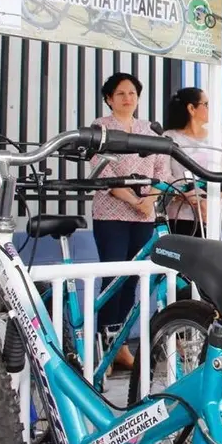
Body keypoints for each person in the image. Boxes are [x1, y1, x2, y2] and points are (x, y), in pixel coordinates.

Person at [89, 72, 172, 371]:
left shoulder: (148, 129)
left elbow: (162, 169)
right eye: (121, 93)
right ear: (109, 99)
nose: (127, 98)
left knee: (134, 279)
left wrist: (149, 200)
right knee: (113, 278)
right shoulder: (100, 127)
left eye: (132, 93)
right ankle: (103, 348)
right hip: (112, 212)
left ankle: (121, 346)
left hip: (144, 214)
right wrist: (133, 200)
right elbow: (102, 170)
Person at [164, 87, 222, 238]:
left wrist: (215, 200)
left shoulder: (216, 137)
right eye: (206, 104)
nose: (210, 109)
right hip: (182, 216)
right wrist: (190, 196)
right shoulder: (170, 138)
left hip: (212, 216)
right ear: (191, 108)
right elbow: (163, 174)